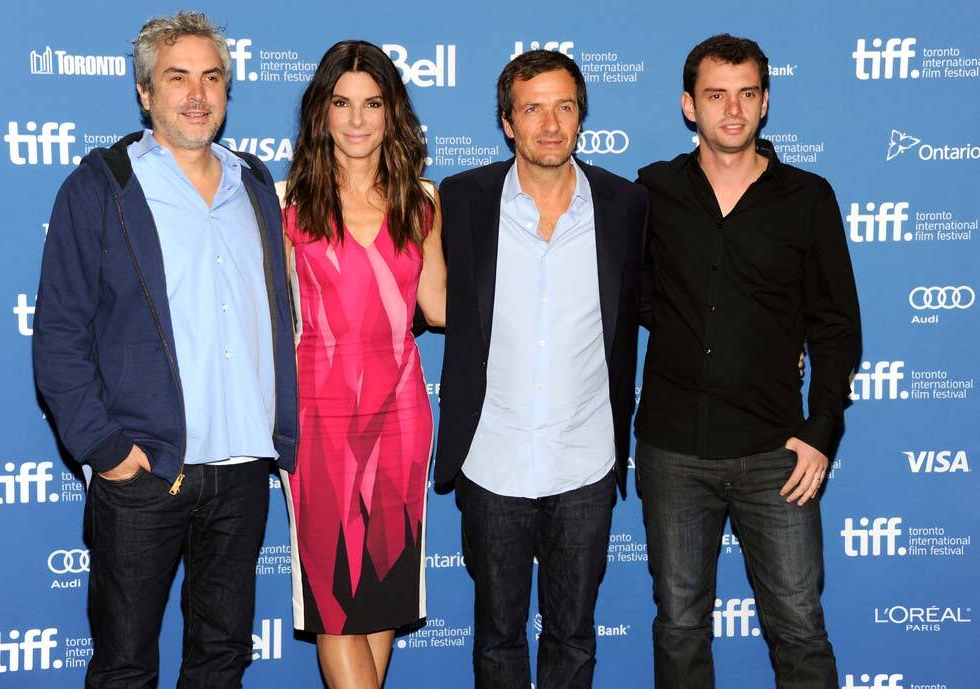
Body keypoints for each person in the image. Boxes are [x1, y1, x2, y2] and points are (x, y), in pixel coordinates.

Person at [31, 12, 297, 689]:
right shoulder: (100, 187)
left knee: (221, 659)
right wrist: (108, 451)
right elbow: (60, 334)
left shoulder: (256, 185)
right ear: (146, 93)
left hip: (241, 469)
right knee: (125, 665)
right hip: (145, 471)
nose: (197, 94)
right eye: (176, 78)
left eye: (211, 77)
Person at [635, 34, 862, 689]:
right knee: (679, 629)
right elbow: (637, 297)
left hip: (777, 454)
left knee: (798, 629)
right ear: (689, 105)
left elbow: (837, 325)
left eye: (746, 94)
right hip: (674, 449)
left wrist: (822, 430)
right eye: (715, 95)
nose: (731, 109)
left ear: (765, 104)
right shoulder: (652, 191)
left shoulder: (807, 196)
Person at [435, 50, 648, 689]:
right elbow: (415, 295)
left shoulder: (625, 204)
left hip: (584, 460)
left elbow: (669, 300)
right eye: (533, 109)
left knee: (573, 638)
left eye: (564, 107)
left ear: (581, 117)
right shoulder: (463, 199)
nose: (550, 124)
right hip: (492, 458)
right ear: (507, 122)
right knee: (497, 641)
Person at [279, 40, 445, 689]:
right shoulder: (286, 200)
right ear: (321, 111)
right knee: (334, 599)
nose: (356, 119)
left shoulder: (422, 200)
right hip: (318, 419)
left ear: (390, 112)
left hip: (402, 418)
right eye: (342, 103)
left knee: (381, 593)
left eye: (371, 103)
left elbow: (437, 305)